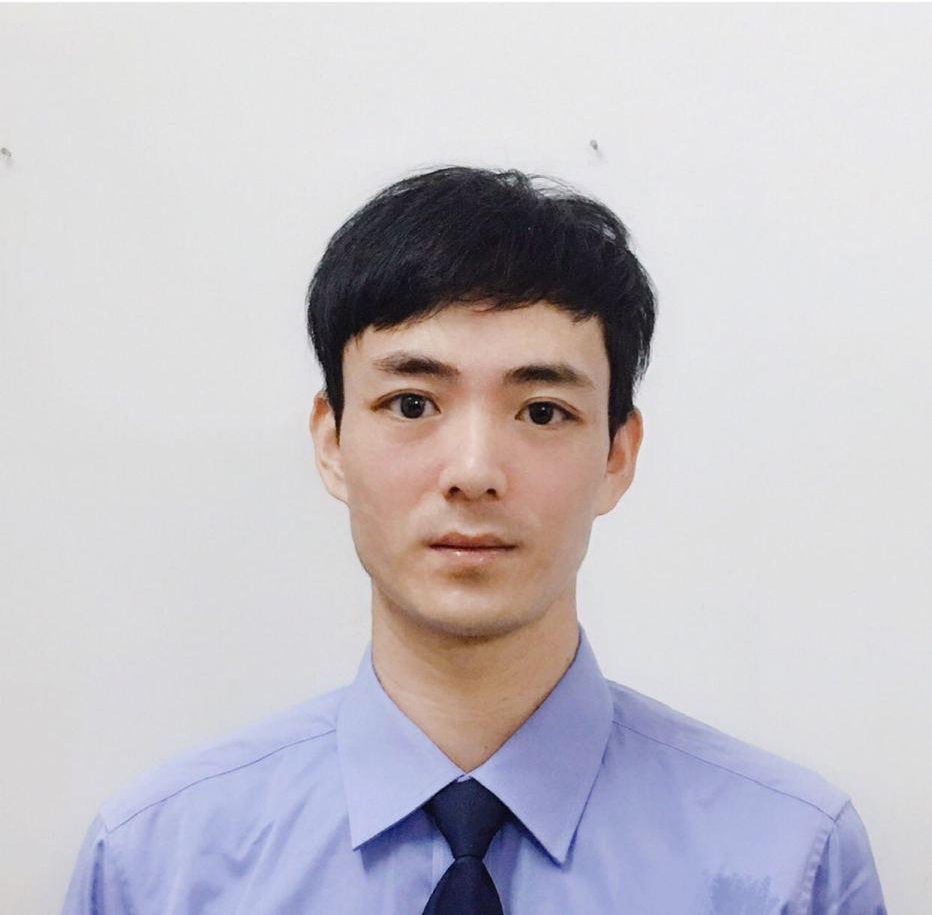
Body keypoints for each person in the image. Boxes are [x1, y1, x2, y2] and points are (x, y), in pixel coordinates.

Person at [61, 166, 887, 913]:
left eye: (542, 412)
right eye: (412, 404)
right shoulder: (159, 865)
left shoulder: (788, 862)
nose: (474, 472)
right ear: (332, 441)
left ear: (617, 455)